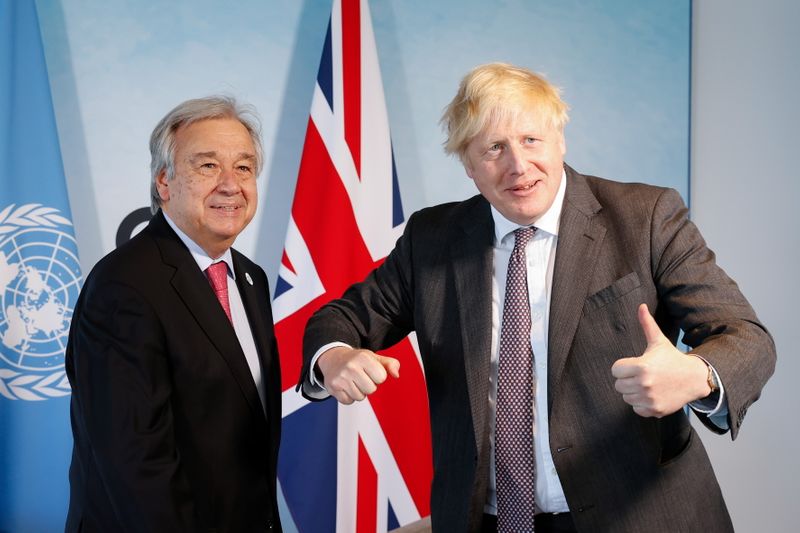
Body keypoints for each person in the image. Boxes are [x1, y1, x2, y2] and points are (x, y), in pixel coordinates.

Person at [299, 63, 776, 532]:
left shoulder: (646, 216)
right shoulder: (432, 239)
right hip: (488, 521)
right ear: (467, 164)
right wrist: (334, 356)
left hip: (640, 514)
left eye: (530, 140)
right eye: (493, 148)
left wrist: (694, 374)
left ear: (559, 139)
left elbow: (746, 337)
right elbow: (341, 318)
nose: (518, 166)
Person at [65, 96, 282, 532]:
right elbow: (136, 465)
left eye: (243, 167)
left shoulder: (250, 278)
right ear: (164, 182)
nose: (230, 184)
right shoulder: (123, 285)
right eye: (207, 166)